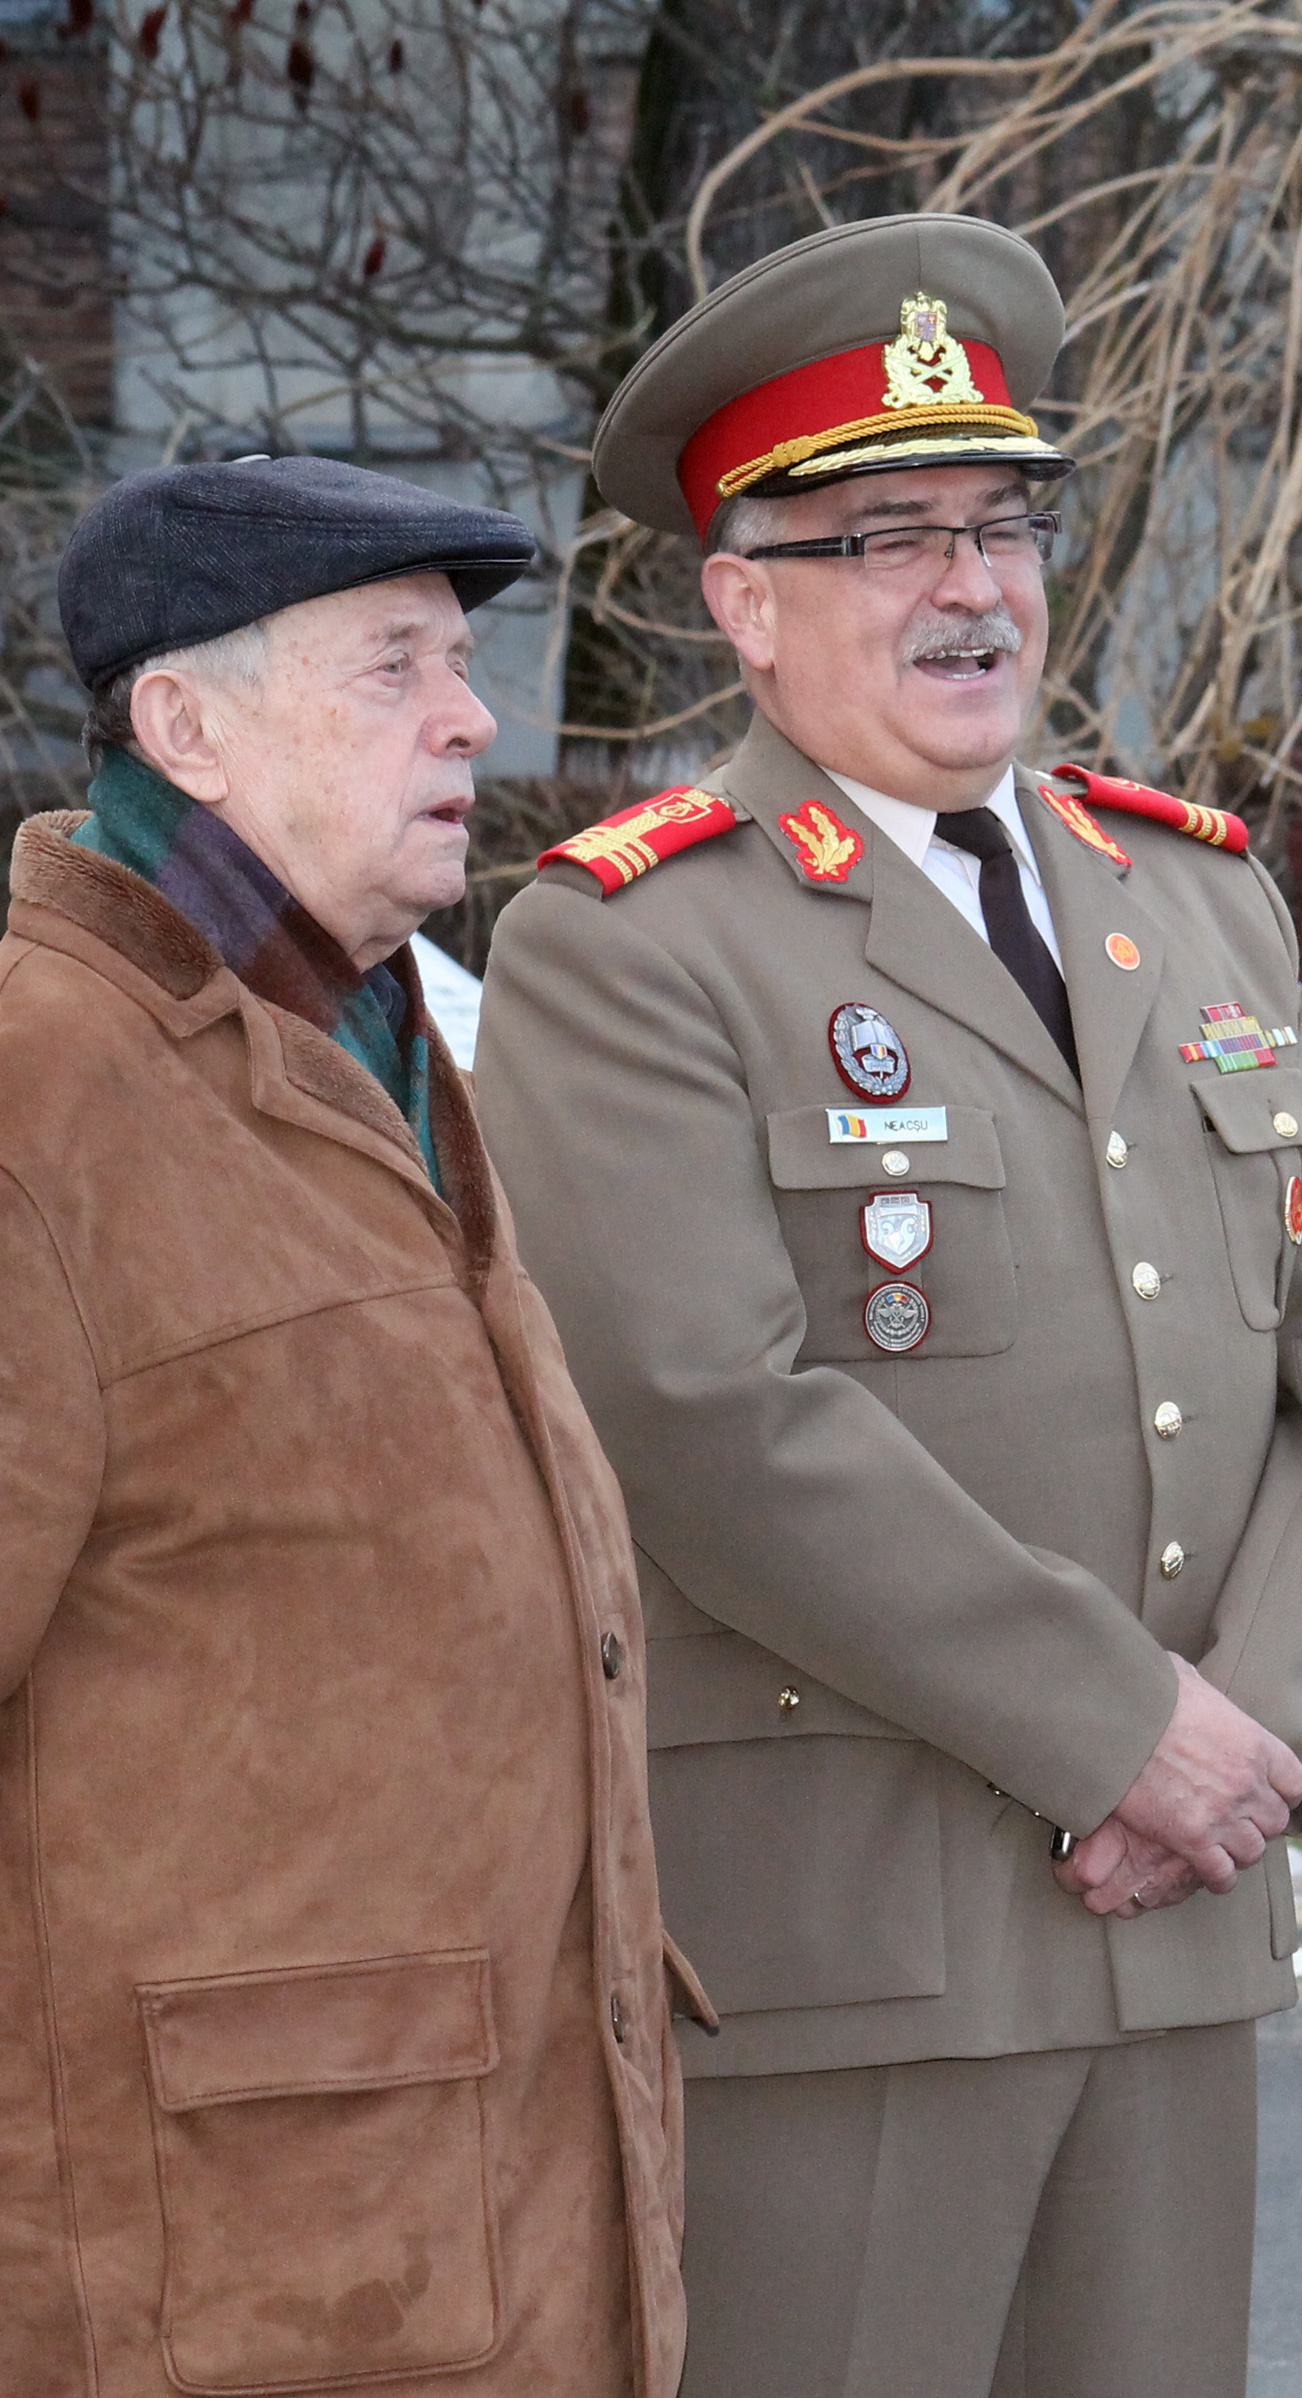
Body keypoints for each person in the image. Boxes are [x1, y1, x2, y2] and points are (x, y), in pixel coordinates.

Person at [469, 213, 1302, 2398]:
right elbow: (709, 1412)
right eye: (885, 535)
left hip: (1177, 1918)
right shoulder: (635, 943)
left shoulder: (1186, 893)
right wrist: (1123, 1732)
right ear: (744, 598)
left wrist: (1256, 1735)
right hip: (851, 1933)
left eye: (1000, 522)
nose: (970, 584)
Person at [0, 457, 687, 2395]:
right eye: (392, 665)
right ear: (184, 723)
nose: (472, 715)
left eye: (462, 664)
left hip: (463, 2230)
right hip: (214, 2291)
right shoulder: (43, 1102)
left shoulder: (379, 1039)